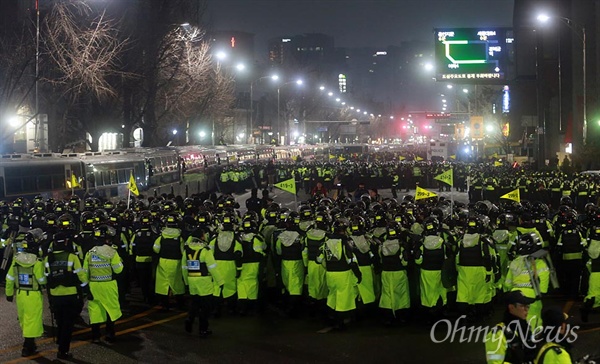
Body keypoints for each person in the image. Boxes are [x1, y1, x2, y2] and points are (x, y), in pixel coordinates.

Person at [45, 232, 89, 360]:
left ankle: (60, 343)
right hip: (70, 295)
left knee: (59, 322)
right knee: (68, 324)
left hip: (55, 296)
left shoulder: (48, 258)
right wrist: (86, 287)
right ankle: (63, 350)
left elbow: (46, 278)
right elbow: (81, 275)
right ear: (65, 242)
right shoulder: (71, 257)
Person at [4, 235, 46, 357]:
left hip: (20, 294)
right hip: (33, 295)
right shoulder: (37, 262)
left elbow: (10, 278)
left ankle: (30, 344)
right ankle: (27, 346)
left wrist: (9, 293)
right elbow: (42, 280)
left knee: (23, 319)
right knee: (32, 320)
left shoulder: (16, 260)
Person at [84, 224, 123, 343]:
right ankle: (110, 334)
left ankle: (95, 336)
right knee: (110, 309)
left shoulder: (90, 253)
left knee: (95, 310)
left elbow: (85, 272)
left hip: (93, 285)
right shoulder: (112, 252)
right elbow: (118, 269)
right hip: (108, 285)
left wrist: (86, 287)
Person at [182, 228, 224, 337]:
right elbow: (213, 268)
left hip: (191, 280)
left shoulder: (187, 250)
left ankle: (189, 319)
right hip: (204, 281)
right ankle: (203, 329)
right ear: (201, 237)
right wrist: (220, 282)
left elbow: (184, 267)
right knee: (205, 307)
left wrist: (186, 282)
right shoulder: (205, 250)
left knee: (195, 303)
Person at [484, 290, 537, 364]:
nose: (526, 309)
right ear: (511, 307)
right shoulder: (497, 334)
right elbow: (494, 362)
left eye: (527, 306)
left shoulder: (526, 328)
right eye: (522, 306)